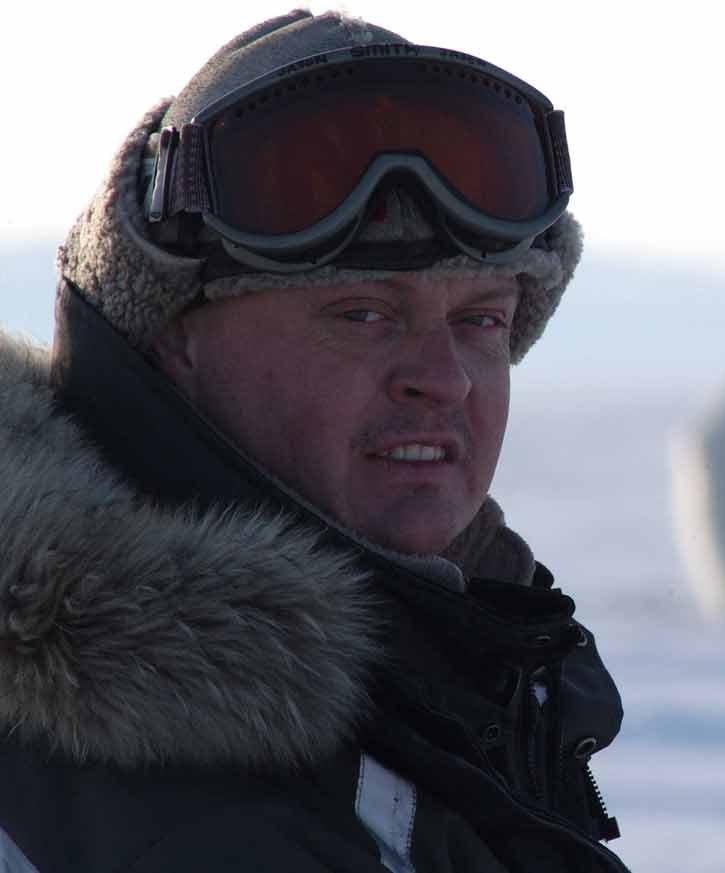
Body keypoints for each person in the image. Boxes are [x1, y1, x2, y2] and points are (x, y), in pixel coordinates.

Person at [0, 10, 630, 873]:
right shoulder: (128, 805)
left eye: (481, 319)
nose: (443, 378)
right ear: (175, 337)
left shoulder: (447, 699)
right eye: (362, 314)